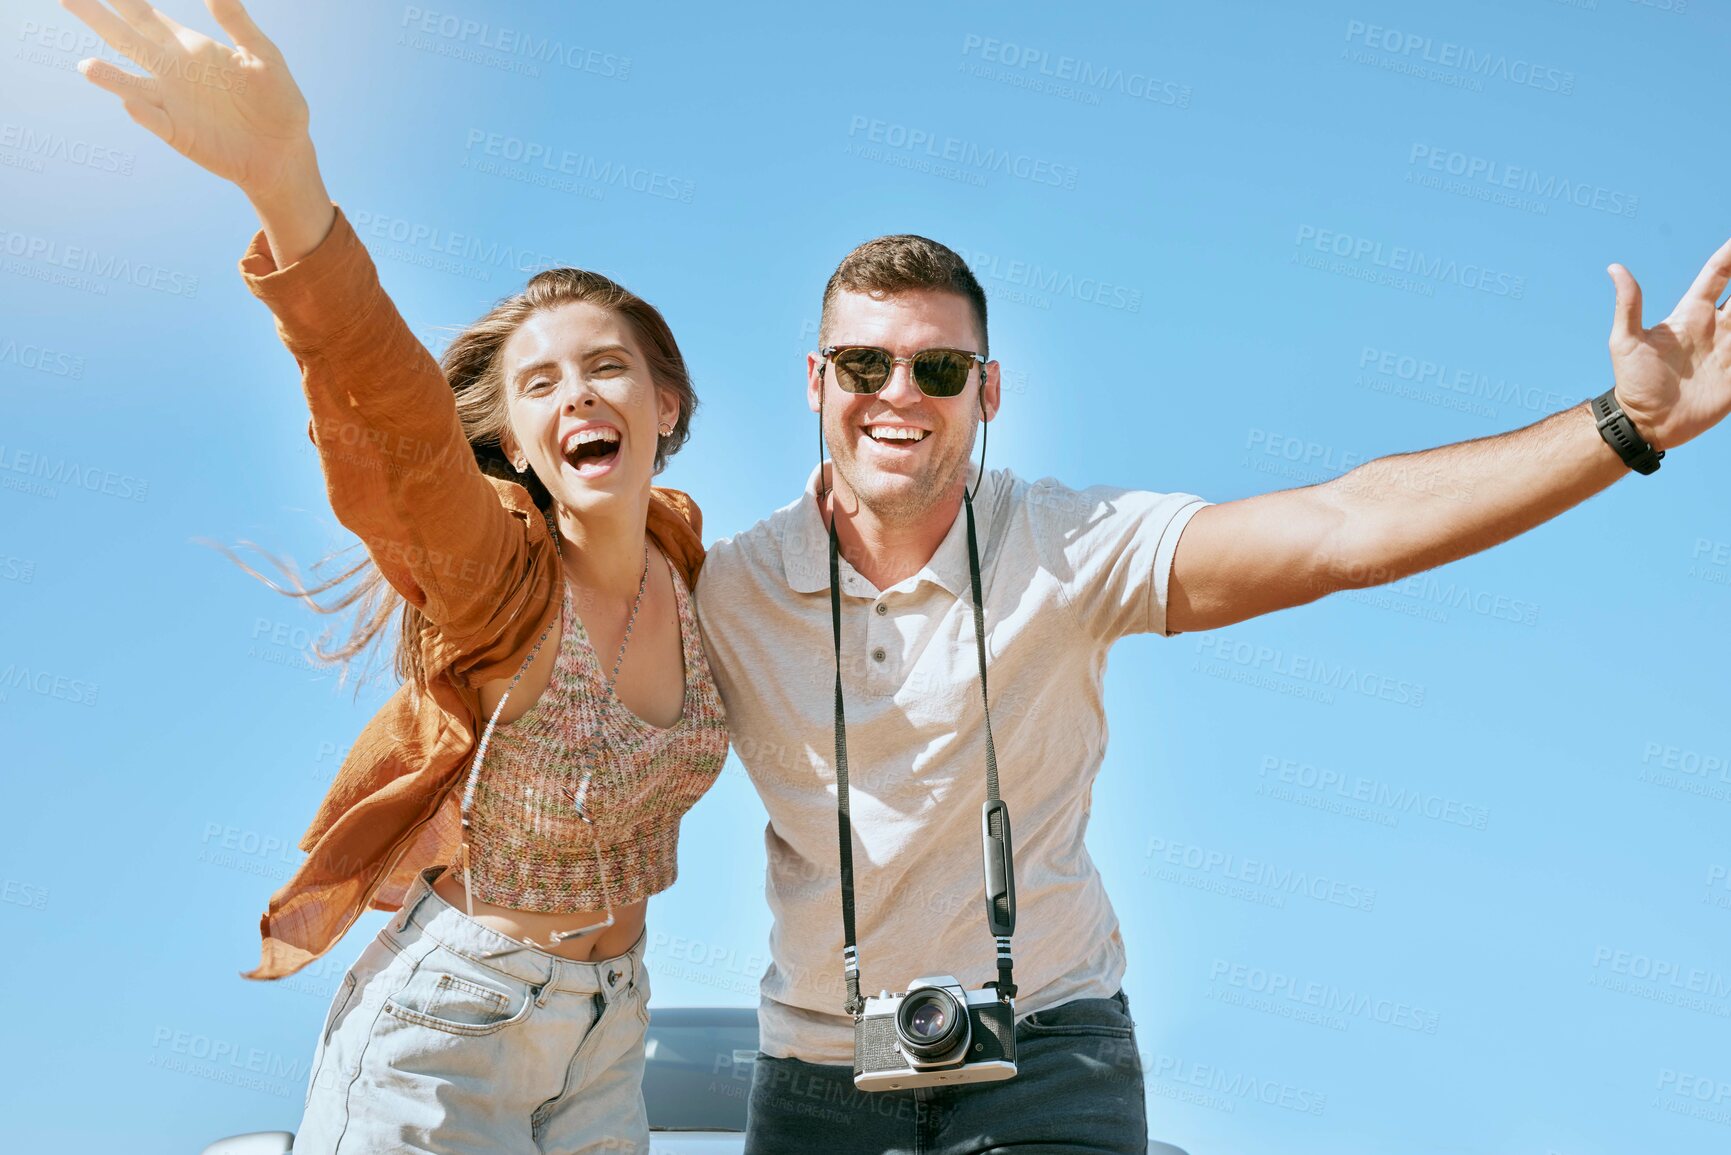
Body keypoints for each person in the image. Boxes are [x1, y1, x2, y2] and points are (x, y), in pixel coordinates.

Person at [695, 227, 1731, 1153]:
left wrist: (1625, 425)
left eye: (940, 366)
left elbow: (1343, 529)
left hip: (1046, 1055)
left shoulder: (1064, 544)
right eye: (865, 362)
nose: (900, 392)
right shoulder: (726, 586)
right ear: (815, 380)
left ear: (988, 390)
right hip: (819, 1075)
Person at [64, 2, 729, 1151]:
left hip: (611, 1035)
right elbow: (402, 425)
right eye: (540, 384)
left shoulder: (699, 565)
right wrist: (287, 188)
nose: (578, 392)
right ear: (516, 444)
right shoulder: (498, 579)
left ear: (663, 404)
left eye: (608, 366)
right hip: (448, 1031)